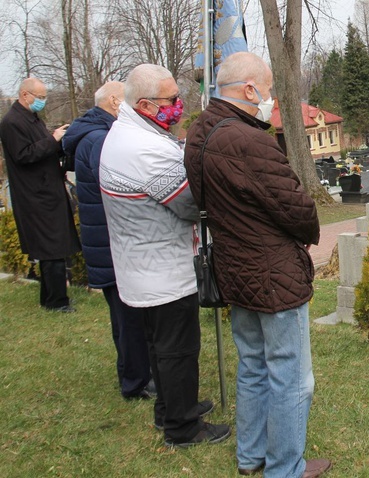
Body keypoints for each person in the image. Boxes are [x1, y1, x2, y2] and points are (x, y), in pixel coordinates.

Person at [184, 52, 330, 478]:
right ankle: (284, 468)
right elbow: (297, 208)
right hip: (271, 272)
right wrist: (309, 226)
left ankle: (251, 456)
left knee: (252, 364)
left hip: (233, 268)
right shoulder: (250, 141)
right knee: (291, 376)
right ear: (249, 89)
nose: (270, 99)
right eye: (267, 90)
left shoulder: (199, 132)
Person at [99, 64, 229, 448]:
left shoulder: (128, 131)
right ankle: (182, 426)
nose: (179, 104)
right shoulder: (146, 149)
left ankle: (171, 407)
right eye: (171, 100)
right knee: (178, 349)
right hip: (163, 270)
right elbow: (188, 205)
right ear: (144, 104)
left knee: (160, 346)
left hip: (141, 264)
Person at [62, 81, 155, 400]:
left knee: (125, 315)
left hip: (107, 238)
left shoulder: (92, 134)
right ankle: (136, 381)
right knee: (128, 317)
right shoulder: (100, 139)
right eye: (127, 100)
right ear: (115, 102)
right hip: (112, 240)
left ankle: (135, 373)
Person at [0, 77, 80, 312]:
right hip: (35, 195)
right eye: (40, 97)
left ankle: (51, 298)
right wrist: (52, 139)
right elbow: (23, 155)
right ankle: (57, 302)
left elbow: (41, 148)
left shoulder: (30, 118)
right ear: (25, 95)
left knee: (52, 249)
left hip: (47, 189)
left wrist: (56, 141)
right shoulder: (11, 122)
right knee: (51, 247)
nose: (43, 101)